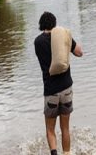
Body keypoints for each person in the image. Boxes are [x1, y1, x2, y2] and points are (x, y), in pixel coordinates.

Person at [34, 12, 83, 155]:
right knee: (65, 129)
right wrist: (70, 42)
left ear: (41, 25)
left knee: (50, 129)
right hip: (67, 89)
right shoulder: (63, 37)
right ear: (54, 24)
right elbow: (80, 53)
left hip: (51, 92)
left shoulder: (38, 42)